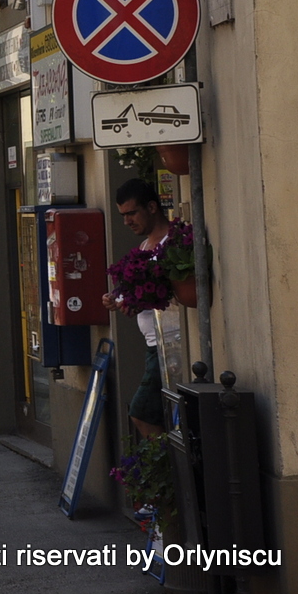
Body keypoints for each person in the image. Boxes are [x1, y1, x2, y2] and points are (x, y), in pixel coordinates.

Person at [102, 178, 170, 437]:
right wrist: (116, 298)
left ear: (151, 207)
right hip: (154, 345)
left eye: (131, 213)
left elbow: (170, 290)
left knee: (142, 412)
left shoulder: (171, 242)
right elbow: (134, 291)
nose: (127, 221)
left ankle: (167, 461)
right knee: (155, 413)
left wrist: (138, 301)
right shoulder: (144, 247)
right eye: (123, 215)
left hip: (169, 344)